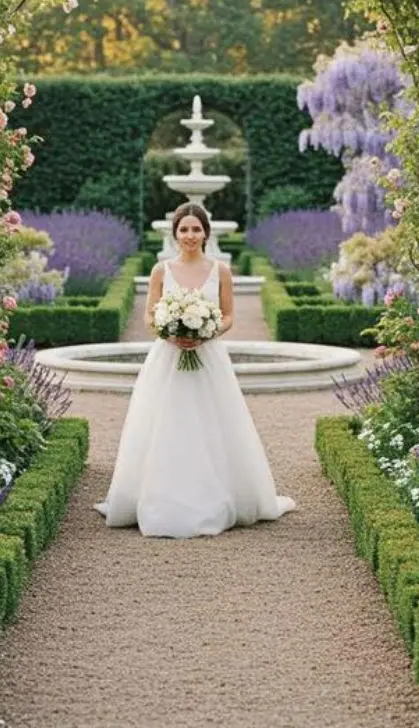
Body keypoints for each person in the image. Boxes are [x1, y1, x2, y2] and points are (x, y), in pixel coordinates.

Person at [94, 202, 296, 538]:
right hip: (167, 358)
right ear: (174, 233)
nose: (190, 235)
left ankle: (214, 496)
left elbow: (229, 315)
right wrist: (169, 331)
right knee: (165, 424)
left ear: (206, 233)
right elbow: (148, 316)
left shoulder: (221, 270)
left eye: (196, 229)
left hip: (209, 358)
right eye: (184, 229)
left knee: (211, 424)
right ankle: (158, 499)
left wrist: (207, 331)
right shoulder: (162, 270)